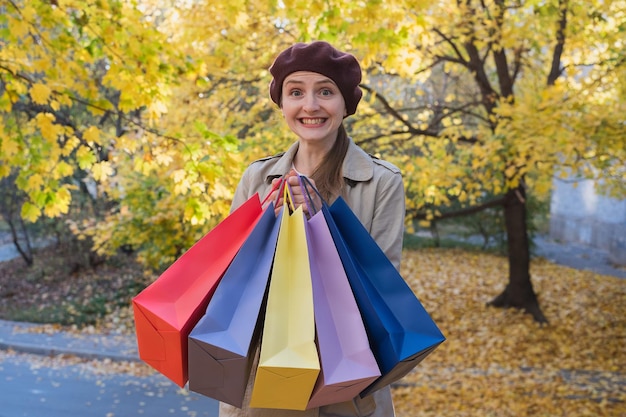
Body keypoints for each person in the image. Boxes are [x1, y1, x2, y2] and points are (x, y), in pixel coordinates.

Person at [224, 41, 405, 417]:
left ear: (344, 103)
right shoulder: (258, 179)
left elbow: (384, 290)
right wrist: (264, 233)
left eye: (325, 91)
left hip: (350, 381)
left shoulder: (380, 182)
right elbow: (232, 284)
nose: (310, 106)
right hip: (266, 376)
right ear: (283, 103)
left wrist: (325, 223)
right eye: (296, 93)